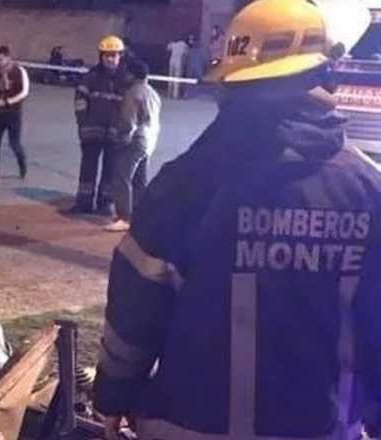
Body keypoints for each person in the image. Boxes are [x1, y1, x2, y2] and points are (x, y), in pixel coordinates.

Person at [94, 0, 380, 438]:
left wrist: (115, 394)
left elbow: (135, 306)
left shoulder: (184, 184)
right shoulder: (366, 190)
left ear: (232, 85)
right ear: (324, 75)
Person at [66, 36, 127, 215]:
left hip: (115, 135)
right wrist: (83, 123)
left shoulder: (126, 80)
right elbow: (80, 101)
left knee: (110, 170)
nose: (110, 59)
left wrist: (124, 129)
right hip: (91, 133)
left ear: (120, 56)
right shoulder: (90, 77)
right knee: (88, 168)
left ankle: (105, 203)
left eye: (114, 55)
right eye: (107, 55)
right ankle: (84, 203)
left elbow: (131, 108)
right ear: (101, 56)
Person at [104, 59, 160, 233]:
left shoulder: (133, 93)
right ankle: (140, 215)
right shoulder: (153, 93)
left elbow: (129, 122)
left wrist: (121, 139)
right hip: (150, 140)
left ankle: (124, 217)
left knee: (122, 177)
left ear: (132, 75)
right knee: (140, 180)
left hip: (136, 140)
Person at [0, 45, 29, 184]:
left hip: (13, 113)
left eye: (0, 59)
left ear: (8, 58)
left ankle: (22, 163)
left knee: (14, 144)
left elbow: (24, 92)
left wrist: (7, 102)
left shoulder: (19, 71)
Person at [185, 33, 207, 98]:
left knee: (195, 80)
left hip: (196, 67)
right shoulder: (190, 50)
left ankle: (191, 94)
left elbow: (203, 59)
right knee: (191, 80)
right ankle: (189, 93)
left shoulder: (198, 50)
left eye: (191, 40)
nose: (190, 41)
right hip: (193, 67)